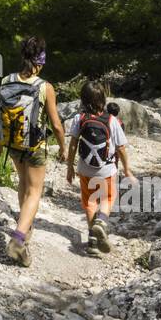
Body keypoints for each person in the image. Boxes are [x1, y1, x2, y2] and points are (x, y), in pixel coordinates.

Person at [0, 36, 67, 267]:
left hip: (13, 143)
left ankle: (27, 225)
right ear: (41, 61)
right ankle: (18, 238)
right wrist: (63, 147)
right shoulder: (45, 87)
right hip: (35, 145)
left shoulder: (6, 80)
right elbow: (55, 124)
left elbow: (0, 112)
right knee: (35, 191)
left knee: (23, 183)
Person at [64, 80, 134, 258]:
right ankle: (102, 221)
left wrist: (70, 168)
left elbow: (72, 145)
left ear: (83, 99)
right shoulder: (111, 120)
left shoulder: (79, 119)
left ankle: (92, 242)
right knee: (108, 196)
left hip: (85, 169)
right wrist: (127, 170)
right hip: (106, 170)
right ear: (103, 99)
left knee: (89, 202)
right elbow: (121, 148)